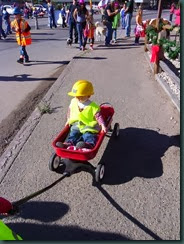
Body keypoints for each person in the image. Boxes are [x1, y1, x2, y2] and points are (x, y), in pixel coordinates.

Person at [56, 80, 107, 150]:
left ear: (88, 96)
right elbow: (70, 110)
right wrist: (68, 119)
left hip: (88, 125)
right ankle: (69, 144)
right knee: (73, 134)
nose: (77, 97)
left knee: (88, 135)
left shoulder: (93, 106)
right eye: (76, 96)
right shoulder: (74, 101)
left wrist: (103, 125)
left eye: (80, 96)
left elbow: (98, 116)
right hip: (76, 125)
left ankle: (89, 144)